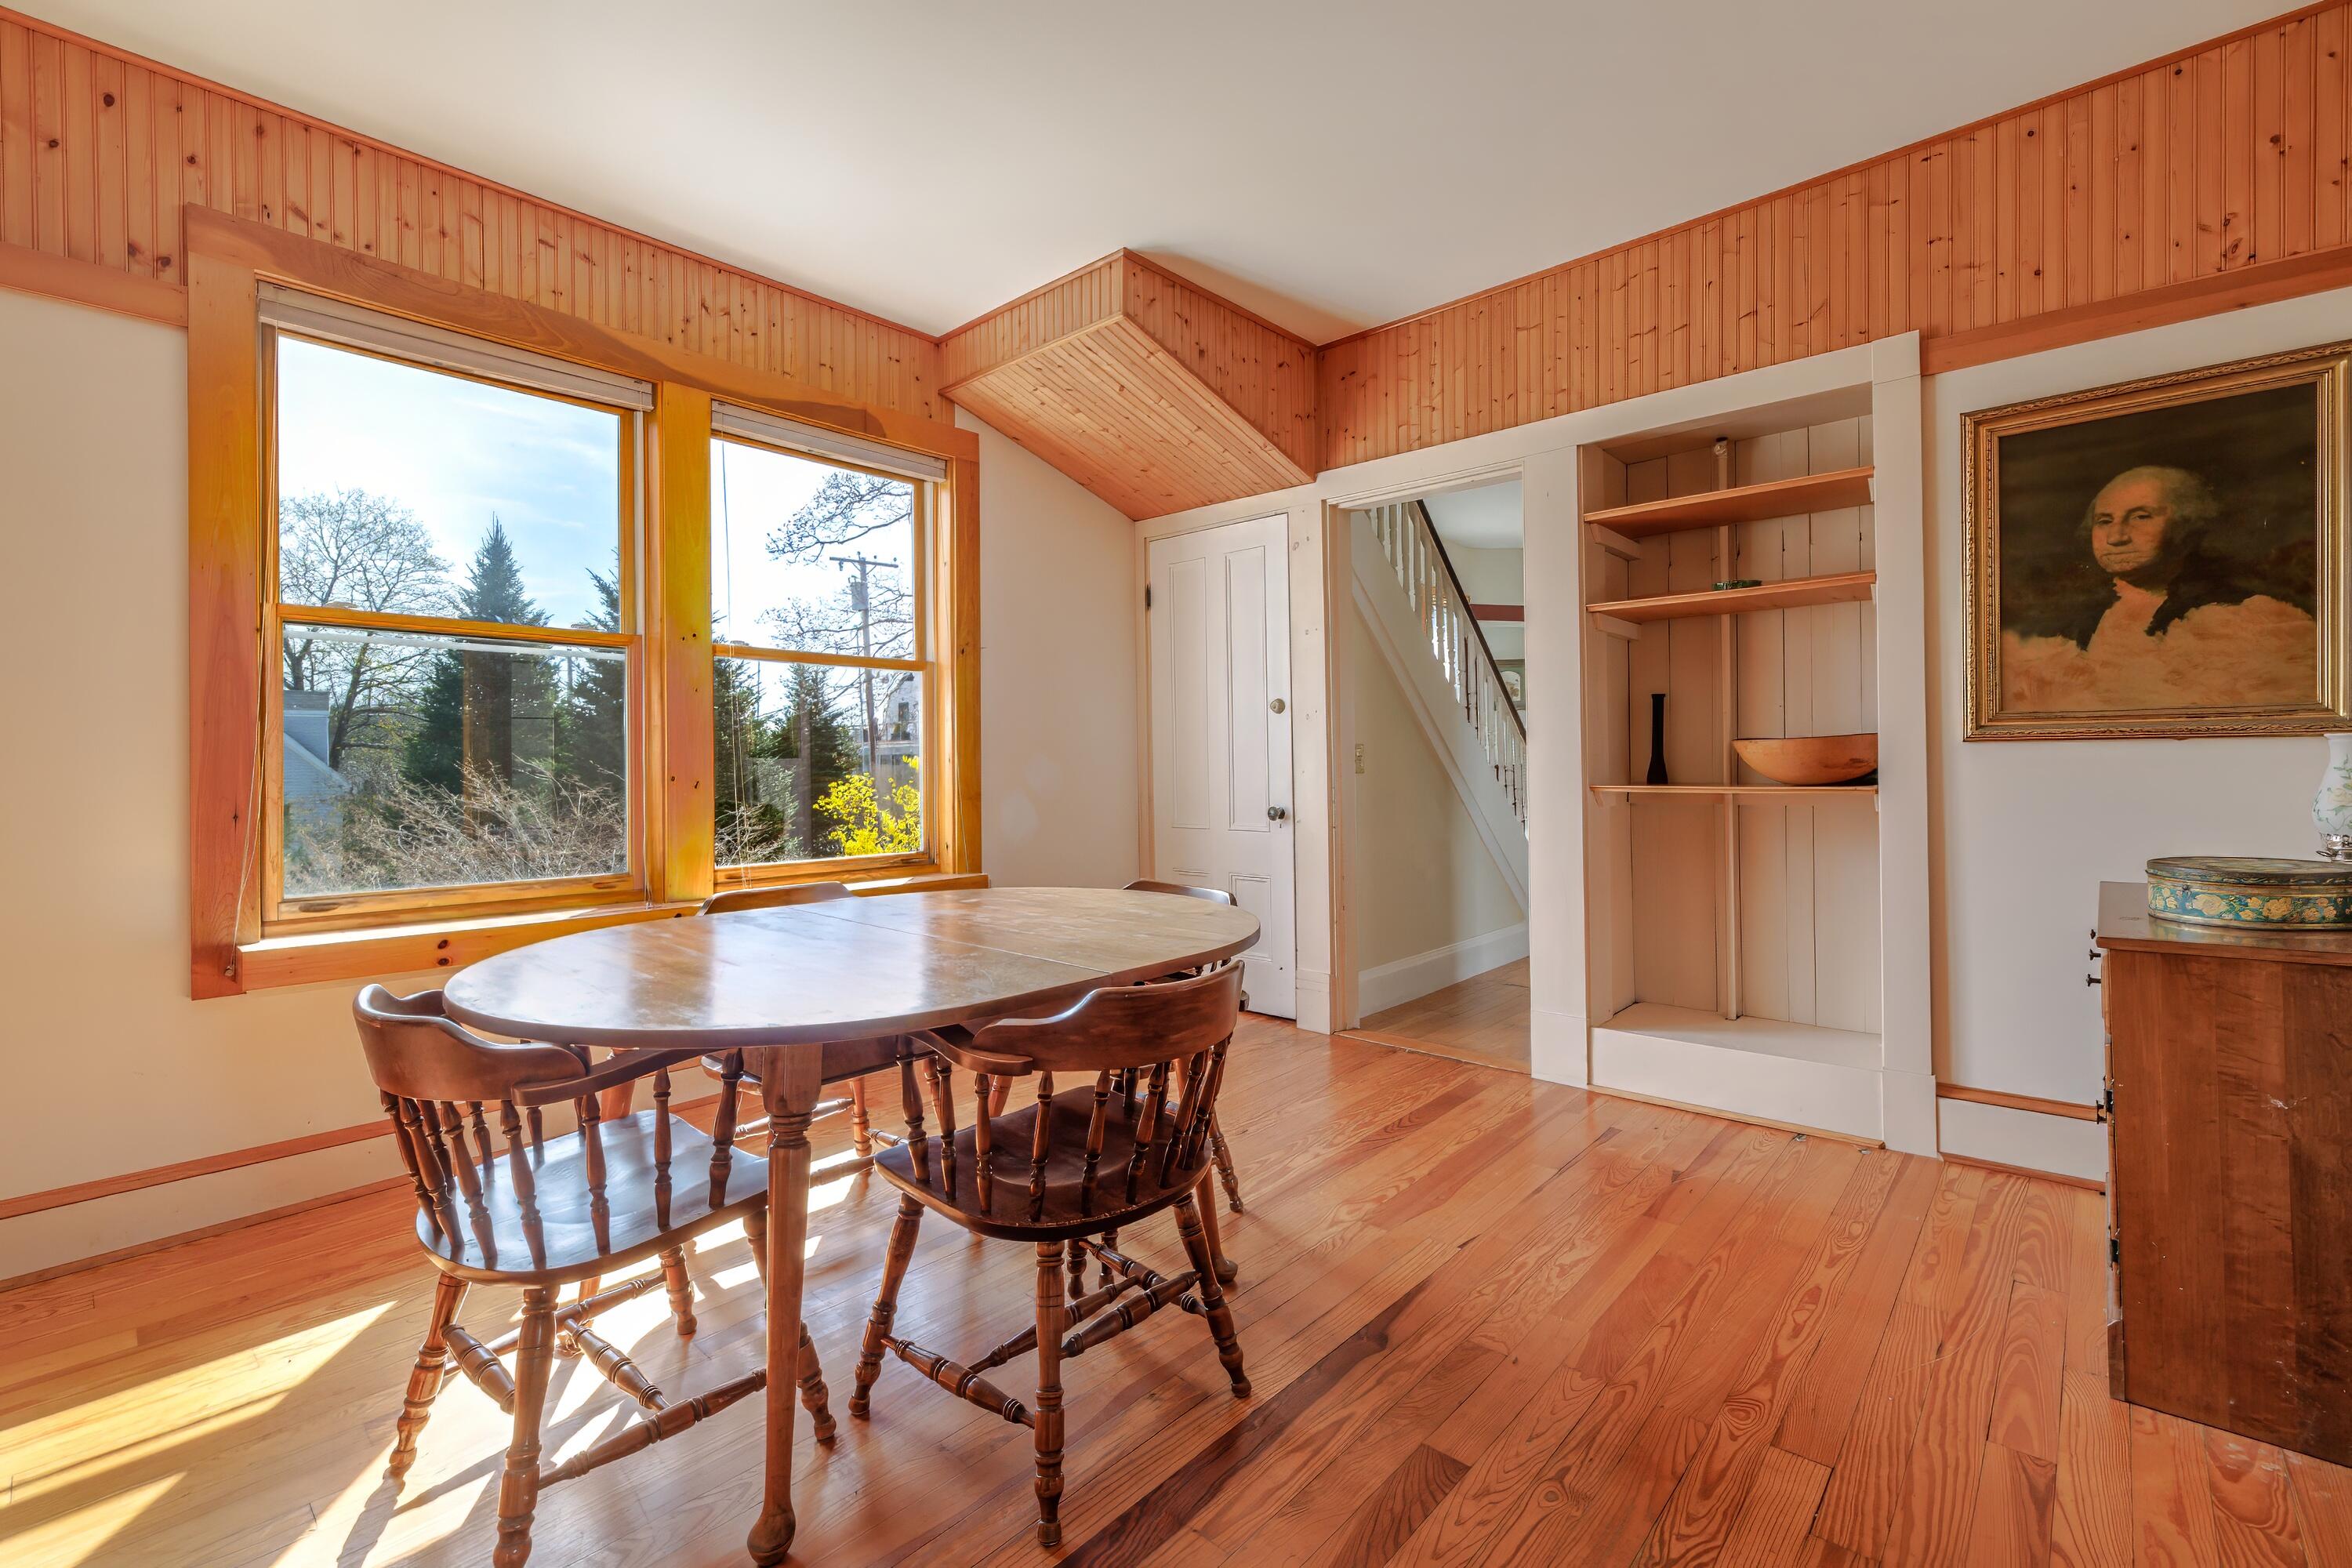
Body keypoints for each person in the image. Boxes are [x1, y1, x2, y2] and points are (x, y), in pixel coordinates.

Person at [2001, 464, 2316, 713]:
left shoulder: (2248, 616)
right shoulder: (2073, 625)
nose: (2116, 537)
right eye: (2104, 521)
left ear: (2187, 526)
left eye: (2140, 517)